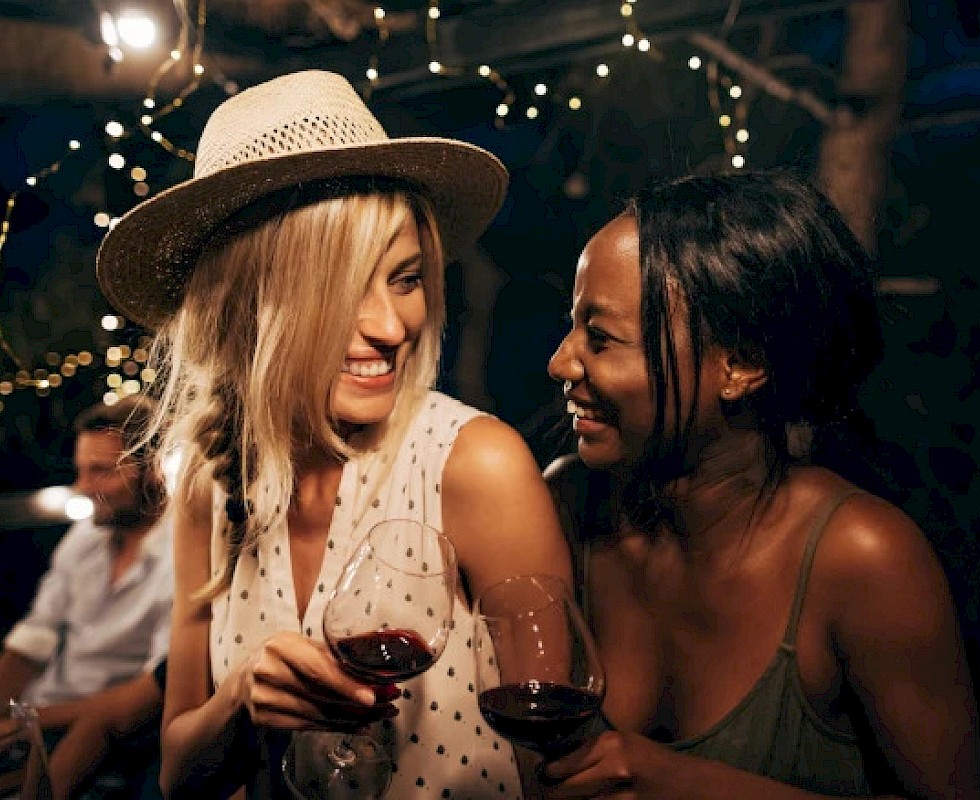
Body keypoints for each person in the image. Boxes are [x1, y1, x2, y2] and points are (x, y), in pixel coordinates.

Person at [94, 69, 571, 800]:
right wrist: (242, 700)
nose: (392, 326)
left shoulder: (476, 466)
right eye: (342, 291)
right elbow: (178, 776)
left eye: (405, 280)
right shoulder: (210, 483)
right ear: (247, 308)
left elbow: (562, 768)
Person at [542, 169, 980, 799]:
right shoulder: (568, 506)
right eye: (572, 325)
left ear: (742, 364)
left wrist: (679, 782)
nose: (560, 361)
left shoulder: (862, 559)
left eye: (601, 338)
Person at [0, 396, 173, 799]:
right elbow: (34, 639)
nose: (83, 488)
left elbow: (151, 693)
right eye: (81, 471)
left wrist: (24, 721)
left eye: (101, 472)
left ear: (154, 469)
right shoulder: (86, 536)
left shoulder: (184, 555)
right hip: (37, 722)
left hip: (111, 742)